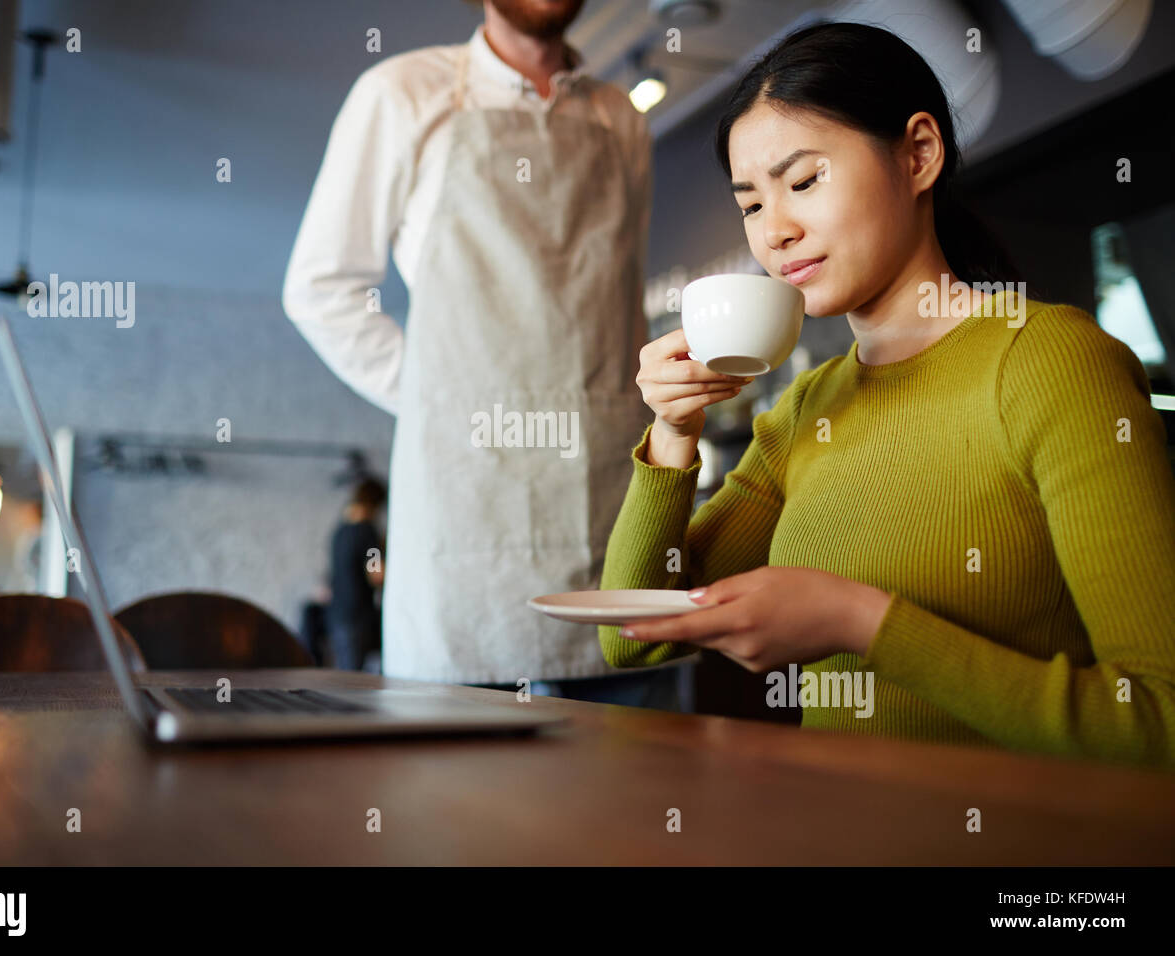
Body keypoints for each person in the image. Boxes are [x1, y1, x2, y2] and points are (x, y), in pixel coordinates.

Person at [598, 21, 1175, 767]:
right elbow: (631, 634)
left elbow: (1159, 721)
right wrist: (672, 430)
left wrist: (865, 624)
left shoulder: (1052, 362)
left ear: (919, 154)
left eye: (803, 182)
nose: (774, 231)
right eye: (751, 205)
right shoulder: (808, 409)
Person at [284, 1, 677, 706]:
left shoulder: (623, 118)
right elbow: (322, 288)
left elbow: (621, 298)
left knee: (629, 784)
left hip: (605, 497)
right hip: (468, 505)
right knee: (459, 792)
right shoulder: (402, 93)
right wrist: (444, 397)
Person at [327, 478, 386, 672]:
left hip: (337, 612)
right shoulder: (367, 531)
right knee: (353, 679)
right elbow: (376, 574)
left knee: (345, 674)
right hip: (358, 614)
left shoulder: (339, 531)